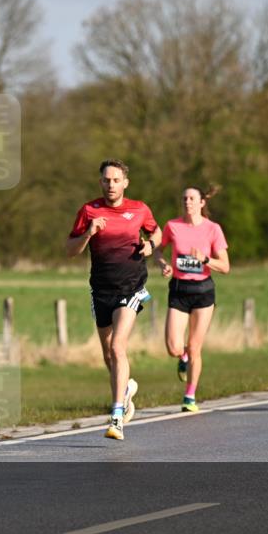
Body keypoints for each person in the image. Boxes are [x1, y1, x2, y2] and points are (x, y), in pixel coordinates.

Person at [65, 159, 161, 441]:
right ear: (100, 183)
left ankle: (117, 416)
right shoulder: (89, 210)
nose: (111, 185)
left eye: (116, 180)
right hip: (101, 290)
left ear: (125, 183)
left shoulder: (139, 209)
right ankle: (127, 390)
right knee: (109, 354)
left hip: (130, 287)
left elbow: (157, 231)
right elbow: (70, 250)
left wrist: (151, 245)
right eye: (106, 180)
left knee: (118, 347)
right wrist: (88, 233)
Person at [154, 187, 231, 412]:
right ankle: (182, 355)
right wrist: (164, 264)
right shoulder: (172, 226)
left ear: (201, 203)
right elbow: (158, 250)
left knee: (196, 347)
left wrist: (205, 259)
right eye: (184, 198)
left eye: (192, 198)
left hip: (203, 293)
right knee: (173, 347)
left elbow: (225, 267)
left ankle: (190, 396)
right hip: (179, 290)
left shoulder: (213, 229)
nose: (187, 202)